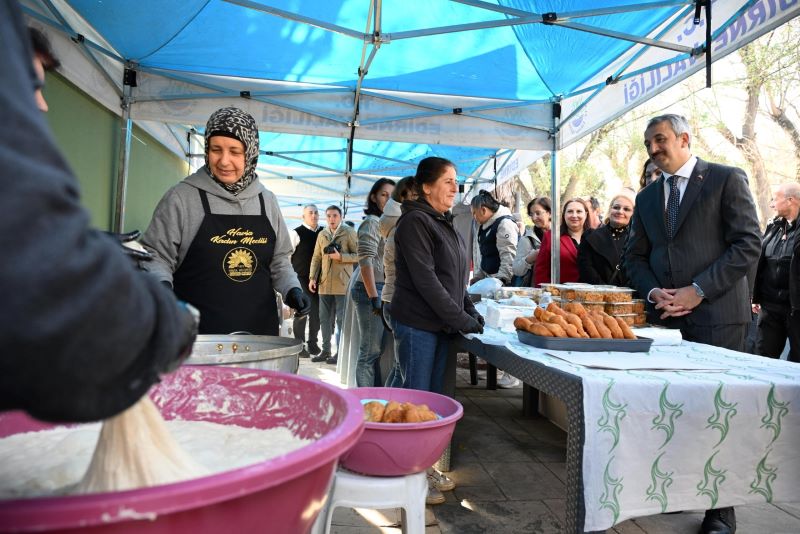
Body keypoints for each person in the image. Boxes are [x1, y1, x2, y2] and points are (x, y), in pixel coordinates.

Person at [1, 1, 197, 423]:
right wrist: (162, 318)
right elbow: (47, 283)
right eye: (31, 86)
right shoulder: (183, 196)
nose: (43, 105)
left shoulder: (266, 202)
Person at [624, 114, 762, 534]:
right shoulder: (647, 198)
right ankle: (680, 489)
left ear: (685, 138)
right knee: (672, 409)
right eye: (648, 143)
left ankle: (721, 508)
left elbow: (747, 244)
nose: (653, 149)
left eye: (660, 140)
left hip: (718, 319)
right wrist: (654, 294)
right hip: (663, 323)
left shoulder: (724, 179)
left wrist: (697, 290)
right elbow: (634, 257)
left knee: (718, 411)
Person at [141, 107, 310, 335]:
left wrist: (292, 289)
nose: (224, 160)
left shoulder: (266, 201)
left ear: (250, 153)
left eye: (235, 151)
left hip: (258, 337)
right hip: (194, 338)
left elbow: (279, 260)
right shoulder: (182, 197)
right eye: (216, 149)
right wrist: (161, 288)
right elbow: (156, 256)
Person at [354, 178, 395, 387]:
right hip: (370, 289)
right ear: (373, 197)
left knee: (378, 352)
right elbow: (365, 260)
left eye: (391, 195)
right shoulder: (372, 221)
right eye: (383, 194)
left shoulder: (387, 223)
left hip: (382, 289)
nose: (388, 199)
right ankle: (365, 405)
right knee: (370, 352)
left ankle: (376, 398)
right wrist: (373, 297)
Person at [752, 183, 800, 363]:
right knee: (762, 359)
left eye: (775, 199)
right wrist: (755, 296)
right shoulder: (773, 227)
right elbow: (762, 262)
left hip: (796, 308)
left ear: (790, 200)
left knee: (797, 362)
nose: (772, 204)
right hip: (770, 307)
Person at [309, 205, 359, 364]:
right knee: (324, 318)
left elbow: (359, 255)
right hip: (324, 283)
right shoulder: (322, 234)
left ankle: (341, 353)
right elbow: (316, 257)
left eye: (335, 216)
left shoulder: (349, 232)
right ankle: (325, 351)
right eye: (329, 216)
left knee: (341, 320)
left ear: (341, 217)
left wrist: (341, 257)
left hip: (343, 283)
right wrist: (312, 278)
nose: (331, 219)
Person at [380, 176, 416, 388]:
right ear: (404, 197)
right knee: (402, 370)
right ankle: (386, 414)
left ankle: (385, 411)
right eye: (417, 195)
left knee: (398, 367)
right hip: (397, 299)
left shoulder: (396, 222)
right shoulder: (402, 225)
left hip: (392, 298)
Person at [578, 191, 635, 285]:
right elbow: (586, 269)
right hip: (598, 295)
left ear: (633, 214)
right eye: (616, 207)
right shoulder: (590, 237)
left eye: (626, 209)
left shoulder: (637, 240)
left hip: (629, 296)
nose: (620, 211)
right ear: (610, 210)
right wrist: (605, 291)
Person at [290, 204, 323, 358]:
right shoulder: (296, 233)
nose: (314, 215)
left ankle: (312, 343)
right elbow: (286, 256)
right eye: (310, 213)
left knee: (317, 313)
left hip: (320, 279)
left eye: (316, 213)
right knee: (303, 309)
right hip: (300, 277)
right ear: (304, 216)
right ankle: (299, 345)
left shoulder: (324, 232)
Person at [534, 198, 591, 285]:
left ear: (586, 214)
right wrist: (546, 294)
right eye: (570, 211)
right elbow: (541, 271)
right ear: (564, 214)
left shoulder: (595, 237)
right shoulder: (551, 237)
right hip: (560, 295)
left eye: (579, 211)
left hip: (590, 294)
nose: (574, 215)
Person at [470, 190, 519, 286]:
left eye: (474, 213)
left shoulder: (505, 224)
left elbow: (508, 256)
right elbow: (485, 256)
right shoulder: (483, 226)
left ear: (483, 210)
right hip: (490, 281)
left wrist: (501, 281)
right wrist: (478, 277)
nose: (473, 217)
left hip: (502, 283)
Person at [511, 196, 552, 287]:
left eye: (538, 213)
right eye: (531, 214)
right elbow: (516, 269)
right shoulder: (527, 239)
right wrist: (529, 259)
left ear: (550, 213)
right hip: (536, 291)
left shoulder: (562, 236)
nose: (534, 218)